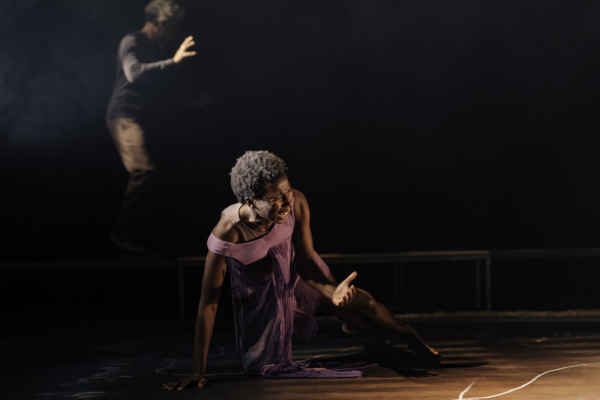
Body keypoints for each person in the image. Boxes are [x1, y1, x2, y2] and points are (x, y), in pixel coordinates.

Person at [163, 151, 439, 390]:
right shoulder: (228, 232)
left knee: (361, 303)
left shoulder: (297, 202)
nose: (288, 202)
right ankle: (364, 332)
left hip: (296, 270)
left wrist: (332, 293)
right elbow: (208, 303)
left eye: (288, 191)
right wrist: (198, 370)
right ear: (251, 201)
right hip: (263, 290)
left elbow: (306, 264)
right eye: (277, 198)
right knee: (344, 319)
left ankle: (407, 334)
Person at [106, 0, 198, 253]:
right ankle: (122, 234)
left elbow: (160, 87)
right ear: (158, 23)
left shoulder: (156, 48)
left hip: (143, 118)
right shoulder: (132, 40)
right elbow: (134, 72)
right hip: (124, 116)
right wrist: (173, 61)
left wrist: (191, 100)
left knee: (157, 175)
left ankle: (137, 239)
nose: (173, 33)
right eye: (171, 27)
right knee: (145, 170)